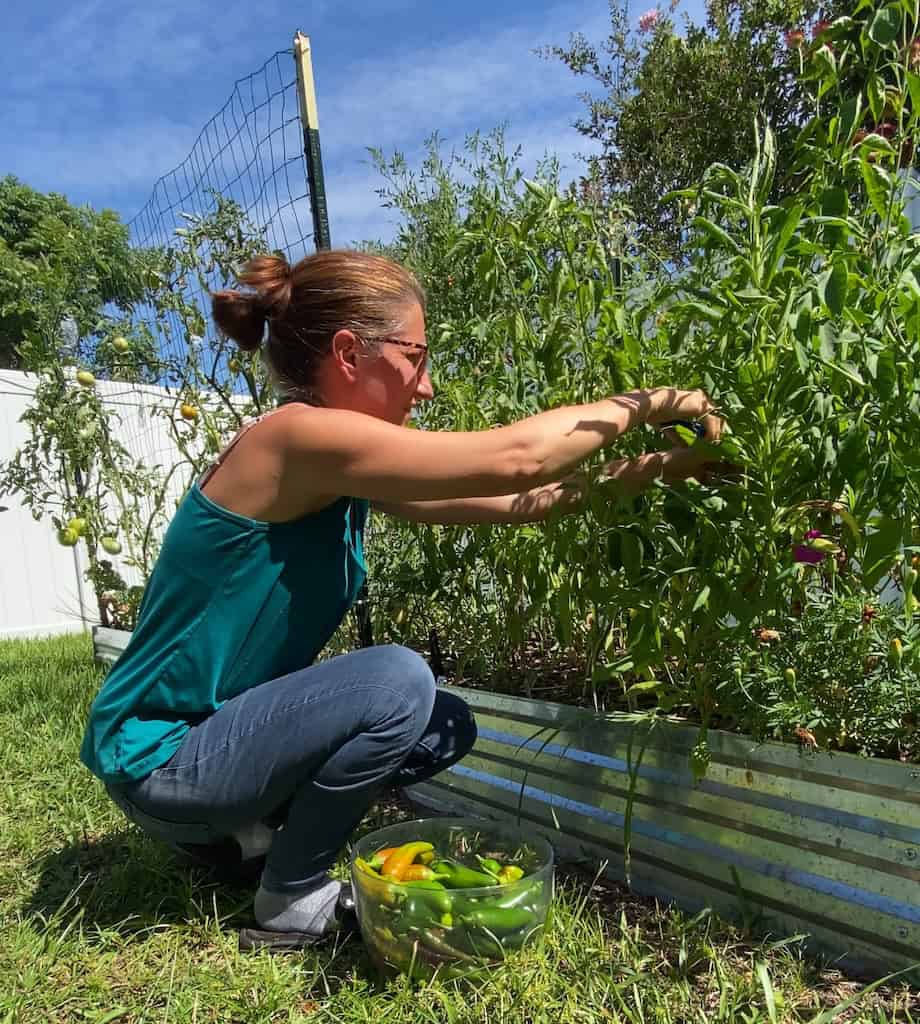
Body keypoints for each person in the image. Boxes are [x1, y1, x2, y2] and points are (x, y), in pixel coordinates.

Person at [79, 249, 722, 952]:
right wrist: (655, 402)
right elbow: (519, 458)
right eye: (416, 357)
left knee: (440, 723)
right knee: (396, 678)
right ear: (350, 352)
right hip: (161, 759)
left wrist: (666, 465)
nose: (427, 387)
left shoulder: (333, 465)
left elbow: (516, 500)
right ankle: (289, 897)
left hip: (206, 748)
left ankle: (240, 839)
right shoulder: (297, 440)